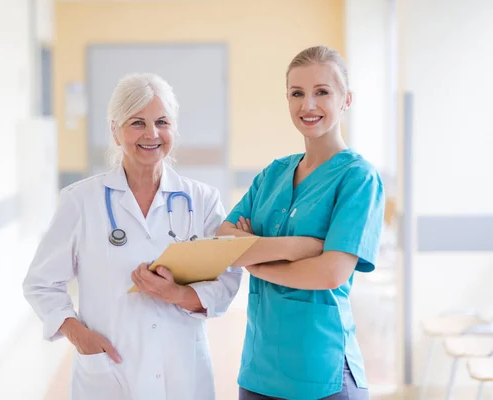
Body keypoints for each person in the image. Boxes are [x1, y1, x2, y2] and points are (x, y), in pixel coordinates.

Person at [22, 73, 243, 400]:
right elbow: (40, 283)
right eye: (137, 122)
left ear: (174, 128)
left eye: (162, 122)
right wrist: (79, 335)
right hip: (109, 372)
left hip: (183, 372)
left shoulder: (202, 200)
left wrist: (177, 295)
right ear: (115, 131)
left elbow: (228, 277)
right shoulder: (80, 201)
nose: (152, 134)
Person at [217, 45, 385, 400]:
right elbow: (222, 243)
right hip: (258, 370)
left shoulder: (358, 178)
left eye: (322, 92)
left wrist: (254, 262)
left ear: (346, 100)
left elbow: (330, 274)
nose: (307, 105)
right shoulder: (273, 174)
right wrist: (298, 248)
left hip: (322, 370)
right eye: (297, 94)